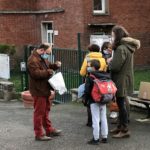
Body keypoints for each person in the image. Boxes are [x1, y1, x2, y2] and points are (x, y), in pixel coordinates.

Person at [107, 25, 140, 138]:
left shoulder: (121, 48)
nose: (112, 38)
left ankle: (124, 129)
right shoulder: (127, 47)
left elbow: (116, 67)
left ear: (117, 35)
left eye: (112, 35)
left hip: (121, 79)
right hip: (124, 78)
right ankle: (120, 126)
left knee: (121, 105)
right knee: (121, 104)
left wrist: (109, 62)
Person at [27, 43, 62, 141]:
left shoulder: (41, 57)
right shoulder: (32, 60)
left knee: (46, 110)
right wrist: (49, 72)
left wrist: (55, 65)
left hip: (44, 88)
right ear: (42, 50)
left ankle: (49, 130)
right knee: (39, 113)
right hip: (38, 90)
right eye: (47, 53)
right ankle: (39, 134)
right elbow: (35, 74)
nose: (48, 55)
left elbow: (48, 66)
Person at [80, 44, 107, 127]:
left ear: (90, 50)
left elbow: (82, 73)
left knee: (90, 101)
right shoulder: (103, 59)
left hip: (90, 81)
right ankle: (100, 120)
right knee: (99, 99)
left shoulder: (87, 58)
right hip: (101, 82)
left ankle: (91, 121)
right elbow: (105, 70)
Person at [84, 59, 109, 145]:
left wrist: (85, 100)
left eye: (90, 66)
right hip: (104, 99)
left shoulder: (90, 77)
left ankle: (96, 139)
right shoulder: (104, 75)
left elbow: (87, 90)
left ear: (93, 67)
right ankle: (105, 137)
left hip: (93, 100)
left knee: (95, 119)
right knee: (103, 118)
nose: (88, 67)